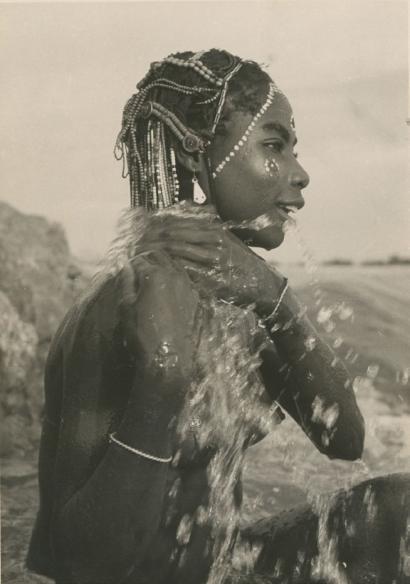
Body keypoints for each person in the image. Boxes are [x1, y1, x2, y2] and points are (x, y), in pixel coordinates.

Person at [26, 49, 408, 584]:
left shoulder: (245, 305)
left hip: (216, 568)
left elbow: (345, 440)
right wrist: (162, 381)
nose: (300, 174)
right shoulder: (117, 311)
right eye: (274, 145)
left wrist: (278, 300)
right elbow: (81, 565)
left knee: (400, 512)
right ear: (193, 155)